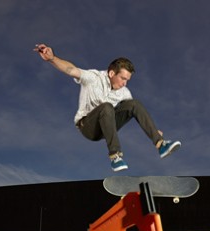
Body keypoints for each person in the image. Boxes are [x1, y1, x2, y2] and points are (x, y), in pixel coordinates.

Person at [34, 44, 181, 171]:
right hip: (88, 127)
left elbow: (137, 113)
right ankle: (115, 156)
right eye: (123, 79)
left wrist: (153, 130)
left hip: (107, 125)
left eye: (127, 80)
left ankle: (160, 145)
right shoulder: (93, 78)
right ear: (111, 73)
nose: (125, 84)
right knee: (106, 107)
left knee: (134, 103)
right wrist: (52, 58)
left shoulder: (124, 92)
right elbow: (70, 69)